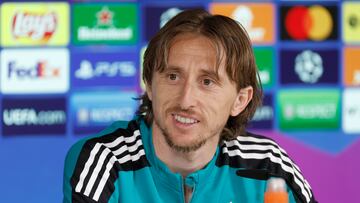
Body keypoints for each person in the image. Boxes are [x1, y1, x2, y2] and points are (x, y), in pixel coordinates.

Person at [63, 9, 316, 203]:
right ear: (149, 84)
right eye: (173, 76)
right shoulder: (105, 159)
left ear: (240, 100)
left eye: (207, 82)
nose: (185, 100)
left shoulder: (268, 166)